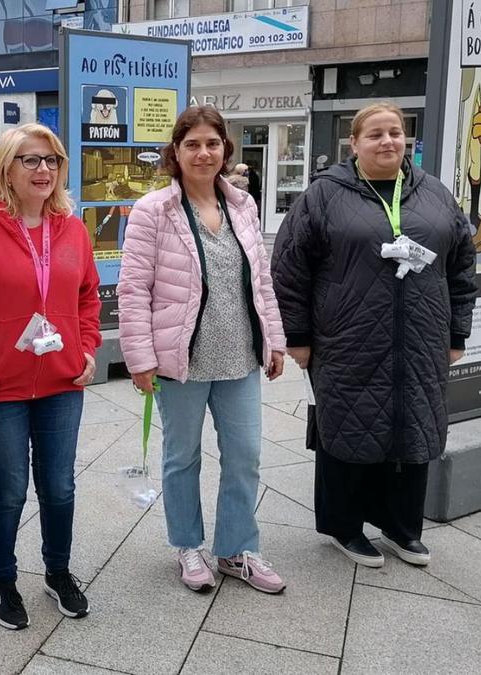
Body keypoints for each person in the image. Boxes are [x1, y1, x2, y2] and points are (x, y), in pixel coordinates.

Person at [270, 102, 477, 568]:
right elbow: (289, 269)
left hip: (421, 339)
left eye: (396, 133)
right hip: (348, 338)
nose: (388, 142)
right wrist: (297, 336)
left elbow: (462, 267)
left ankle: (402, 526)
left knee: (413, 427)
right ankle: (345, 526)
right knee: (349, 428)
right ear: (354, 144)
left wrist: (456, 332)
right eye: (375, 135)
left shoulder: (436, 195)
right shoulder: (324, 196)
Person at [0, 123, 102, 631]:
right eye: (30, 159)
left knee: (59, 487)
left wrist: (88, 348)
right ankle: (2, 581)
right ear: (6, 168)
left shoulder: (72, 227)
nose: (44, 169)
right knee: (9, 488)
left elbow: (87, 298)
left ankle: (58, 572)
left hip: (60, 381)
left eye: (51, 159)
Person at [118, 105, 288, 595]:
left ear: (225, 150)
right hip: (181, 359)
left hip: (239, 354)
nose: (203, 153)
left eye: (212, 143)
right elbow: (133, 289)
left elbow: (261, 281)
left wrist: (273, 338)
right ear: (176, 152)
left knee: (245, 455)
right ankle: (188, 545)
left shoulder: (242, 206)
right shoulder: (155, 209)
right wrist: (141, 358)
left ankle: (236, 549)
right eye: (192, 144)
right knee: (182, 456)